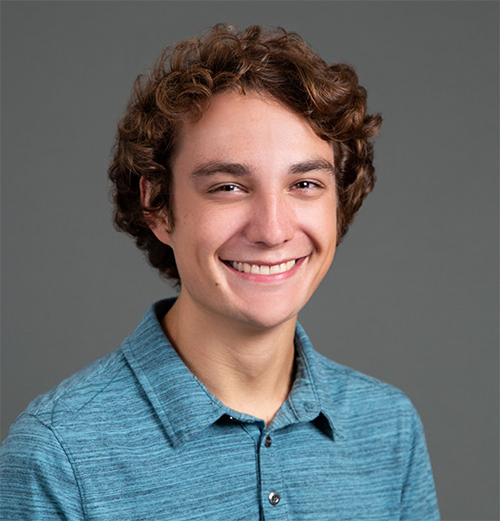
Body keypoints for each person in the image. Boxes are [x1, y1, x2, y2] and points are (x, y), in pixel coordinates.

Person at [0, 24, 440, 520]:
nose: (272, 230)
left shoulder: (389, 428)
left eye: (304, 184)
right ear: (158, 205)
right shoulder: (59, 455)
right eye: (228, 187)